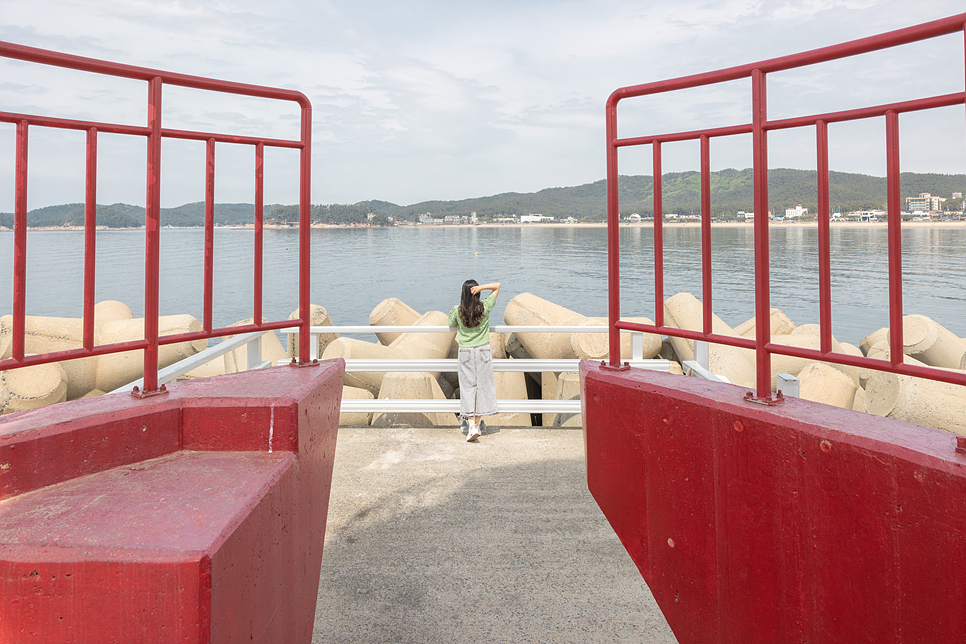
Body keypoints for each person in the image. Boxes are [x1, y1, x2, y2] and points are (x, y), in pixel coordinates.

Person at [448, 279, 500, 442]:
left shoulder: (457, 310)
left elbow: (451, 323)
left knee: (468, 388)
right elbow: (498, 286)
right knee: (483, 387)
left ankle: (471, 427)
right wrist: (482, 287)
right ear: (477, 293)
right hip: (483, 351)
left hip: (466, 353)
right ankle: (476, 425)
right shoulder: (484, 307)